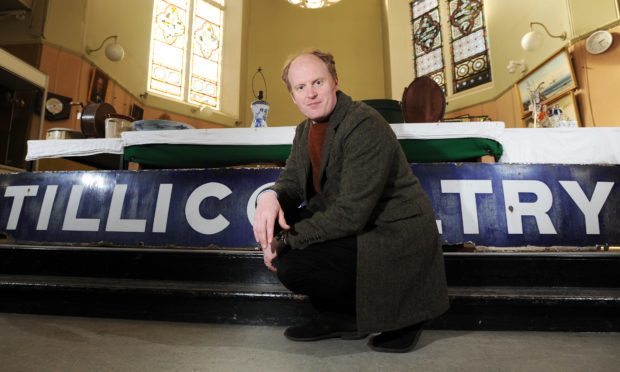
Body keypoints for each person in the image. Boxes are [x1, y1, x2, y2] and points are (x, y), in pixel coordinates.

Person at [253, 50, 449, 353]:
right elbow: (291, 182)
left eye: (317, 82)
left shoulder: (363, 124)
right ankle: (343, 318)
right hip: (358, 223)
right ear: (292, 96)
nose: (311, 93)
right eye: (301, 87)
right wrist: (270, 197)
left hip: (393, 233)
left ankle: (407, 317)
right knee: (277, 228)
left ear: (334, 81)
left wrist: (288, 240)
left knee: (293, 262)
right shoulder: (305, 130)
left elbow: (351, 214)